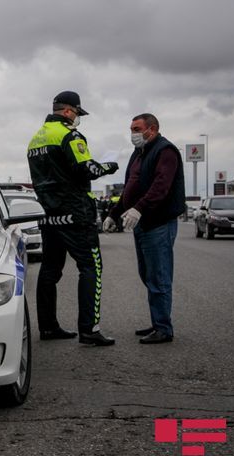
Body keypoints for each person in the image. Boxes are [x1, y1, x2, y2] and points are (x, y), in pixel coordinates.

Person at [27, 91, 119, 346]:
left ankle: (48, 327)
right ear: (68, 111)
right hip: (75, 213)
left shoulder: (35, 138)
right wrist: (109, 166)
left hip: (47, 214)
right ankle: (89, 329)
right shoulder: (69, 135)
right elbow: (86, 168)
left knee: (49, 270)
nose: (78, 118)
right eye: (78, 113)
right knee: (91, 267)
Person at [103, 113, 185, 344]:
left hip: (158, 223)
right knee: (147, 275)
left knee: (158, 277)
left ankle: (163, 328)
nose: (133, 134)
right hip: (142, 223)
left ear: (153, 128)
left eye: (137, 129)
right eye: (131, 129)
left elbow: (161, 186)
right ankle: (157, 321)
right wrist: (113, 213)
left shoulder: (165, 151)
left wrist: (139, 208)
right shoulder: (138, 153)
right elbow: (130, 187)